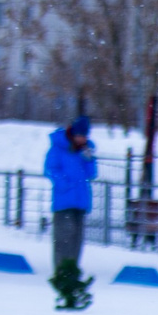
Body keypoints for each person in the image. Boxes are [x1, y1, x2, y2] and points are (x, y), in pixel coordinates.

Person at [45, 116, 97, 275]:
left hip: (80, 202)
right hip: (64, 201)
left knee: (76, 240)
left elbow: (92, 174)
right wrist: (65, 184)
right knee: (63, 239)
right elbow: (50, 169)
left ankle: (72, 271)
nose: (82, 139)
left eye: (85, 136)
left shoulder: (86, 150)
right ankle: (60, 272)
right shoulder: (58, 148)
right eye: (80, 135)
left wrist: (88, 159)